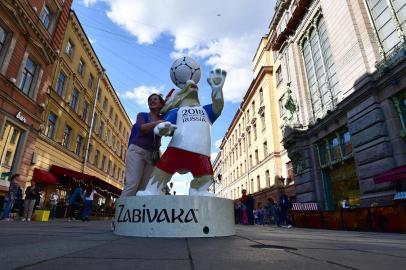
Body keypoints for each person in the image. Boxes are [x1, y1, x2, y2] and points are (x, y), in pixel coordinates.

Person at [121, 93, 165, 196]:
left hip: (152, 156)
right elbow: (142, 128)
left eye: (155, 99)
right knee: (132, 184)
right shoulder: (142, 115)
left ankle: (134, 211)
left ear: (161, 104)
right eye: (150, 100)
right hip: (137, 151)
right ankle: (121, 211)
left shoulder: (164, 118)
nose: (152, 101)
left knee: (143, 189)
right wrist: (157, 123)